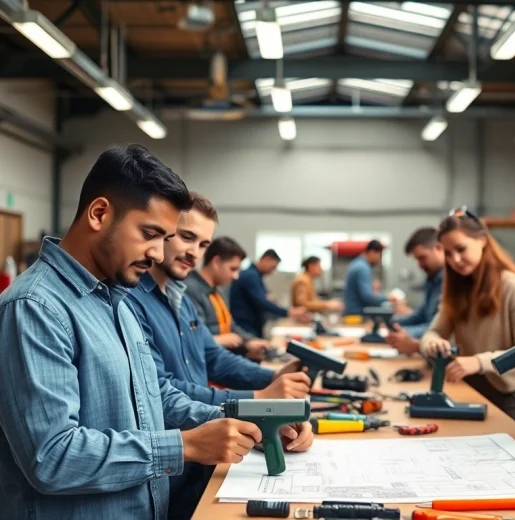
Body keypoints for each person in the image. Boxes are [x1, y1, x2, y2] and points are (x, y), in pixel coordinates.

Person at [0, 144, 312, 519]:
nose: (159, 255)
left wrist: (252, 423)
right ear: (99, 213)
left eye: (164, 239)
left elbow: (158, 398)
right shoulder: (34, 308)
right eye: (149, 233)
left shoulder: (117, 300)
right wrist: (182, 447)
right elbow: (53, 456)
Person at [126, 192, 313, 519]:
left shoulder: (181, 299)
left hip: (203, 463)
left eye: (202, 244)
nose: (193, 253)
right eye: (187, 237)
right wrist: (258, 401)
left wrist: (273, 378)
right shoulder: (131, 302)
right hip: (170, 471)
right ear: (164, 231)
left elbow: (213, 358)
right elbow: (161, 390)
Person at [420, 207, 515, 437]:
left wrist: (479, 362)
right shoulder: (457, 292)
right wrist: (433, 344)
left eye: (460, 249)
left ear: (483, 240)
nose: (454, 260)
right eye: (447, 253)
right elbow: (431, 333)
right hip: (474, 395)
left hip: (514, 399)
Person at [184, 236, 270, 361]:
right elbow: (193, 337)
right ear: (217, 262)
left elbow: (231, 326)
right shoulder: (191, 290)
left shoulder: (218, 290)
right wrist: (220, 340)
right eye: (233, 269)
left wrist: (250, 342)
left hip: (223, 358)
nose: (235, 276)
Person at [387, 227, 445, 355]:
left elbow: (439, 327)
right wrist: (392, 323)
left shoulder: (450, 282)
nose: (420, 265)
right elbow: (422, 314)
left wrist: (406, 333)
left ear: (439, 248)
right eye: (417, 260)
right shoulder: (432, 279)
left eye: (423, 258)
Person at [230, 249, 310, 337]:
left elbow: (264, 299)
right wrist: (289, 312)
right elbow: (262, 302)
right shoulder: (250, 275)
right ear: (266, 259)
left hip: (250, 324)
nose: (273, 271)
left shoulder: (255, 275)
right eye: (273, 267)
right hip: (246, 325)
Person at [343, 239, 391, 315]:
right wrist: (388, 298)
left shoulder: (357, 264)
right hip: (357, 313)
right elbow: (368, 297)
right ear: (372, 252)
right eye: (380, 255)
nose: (379, 260)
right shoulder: (363, 268)